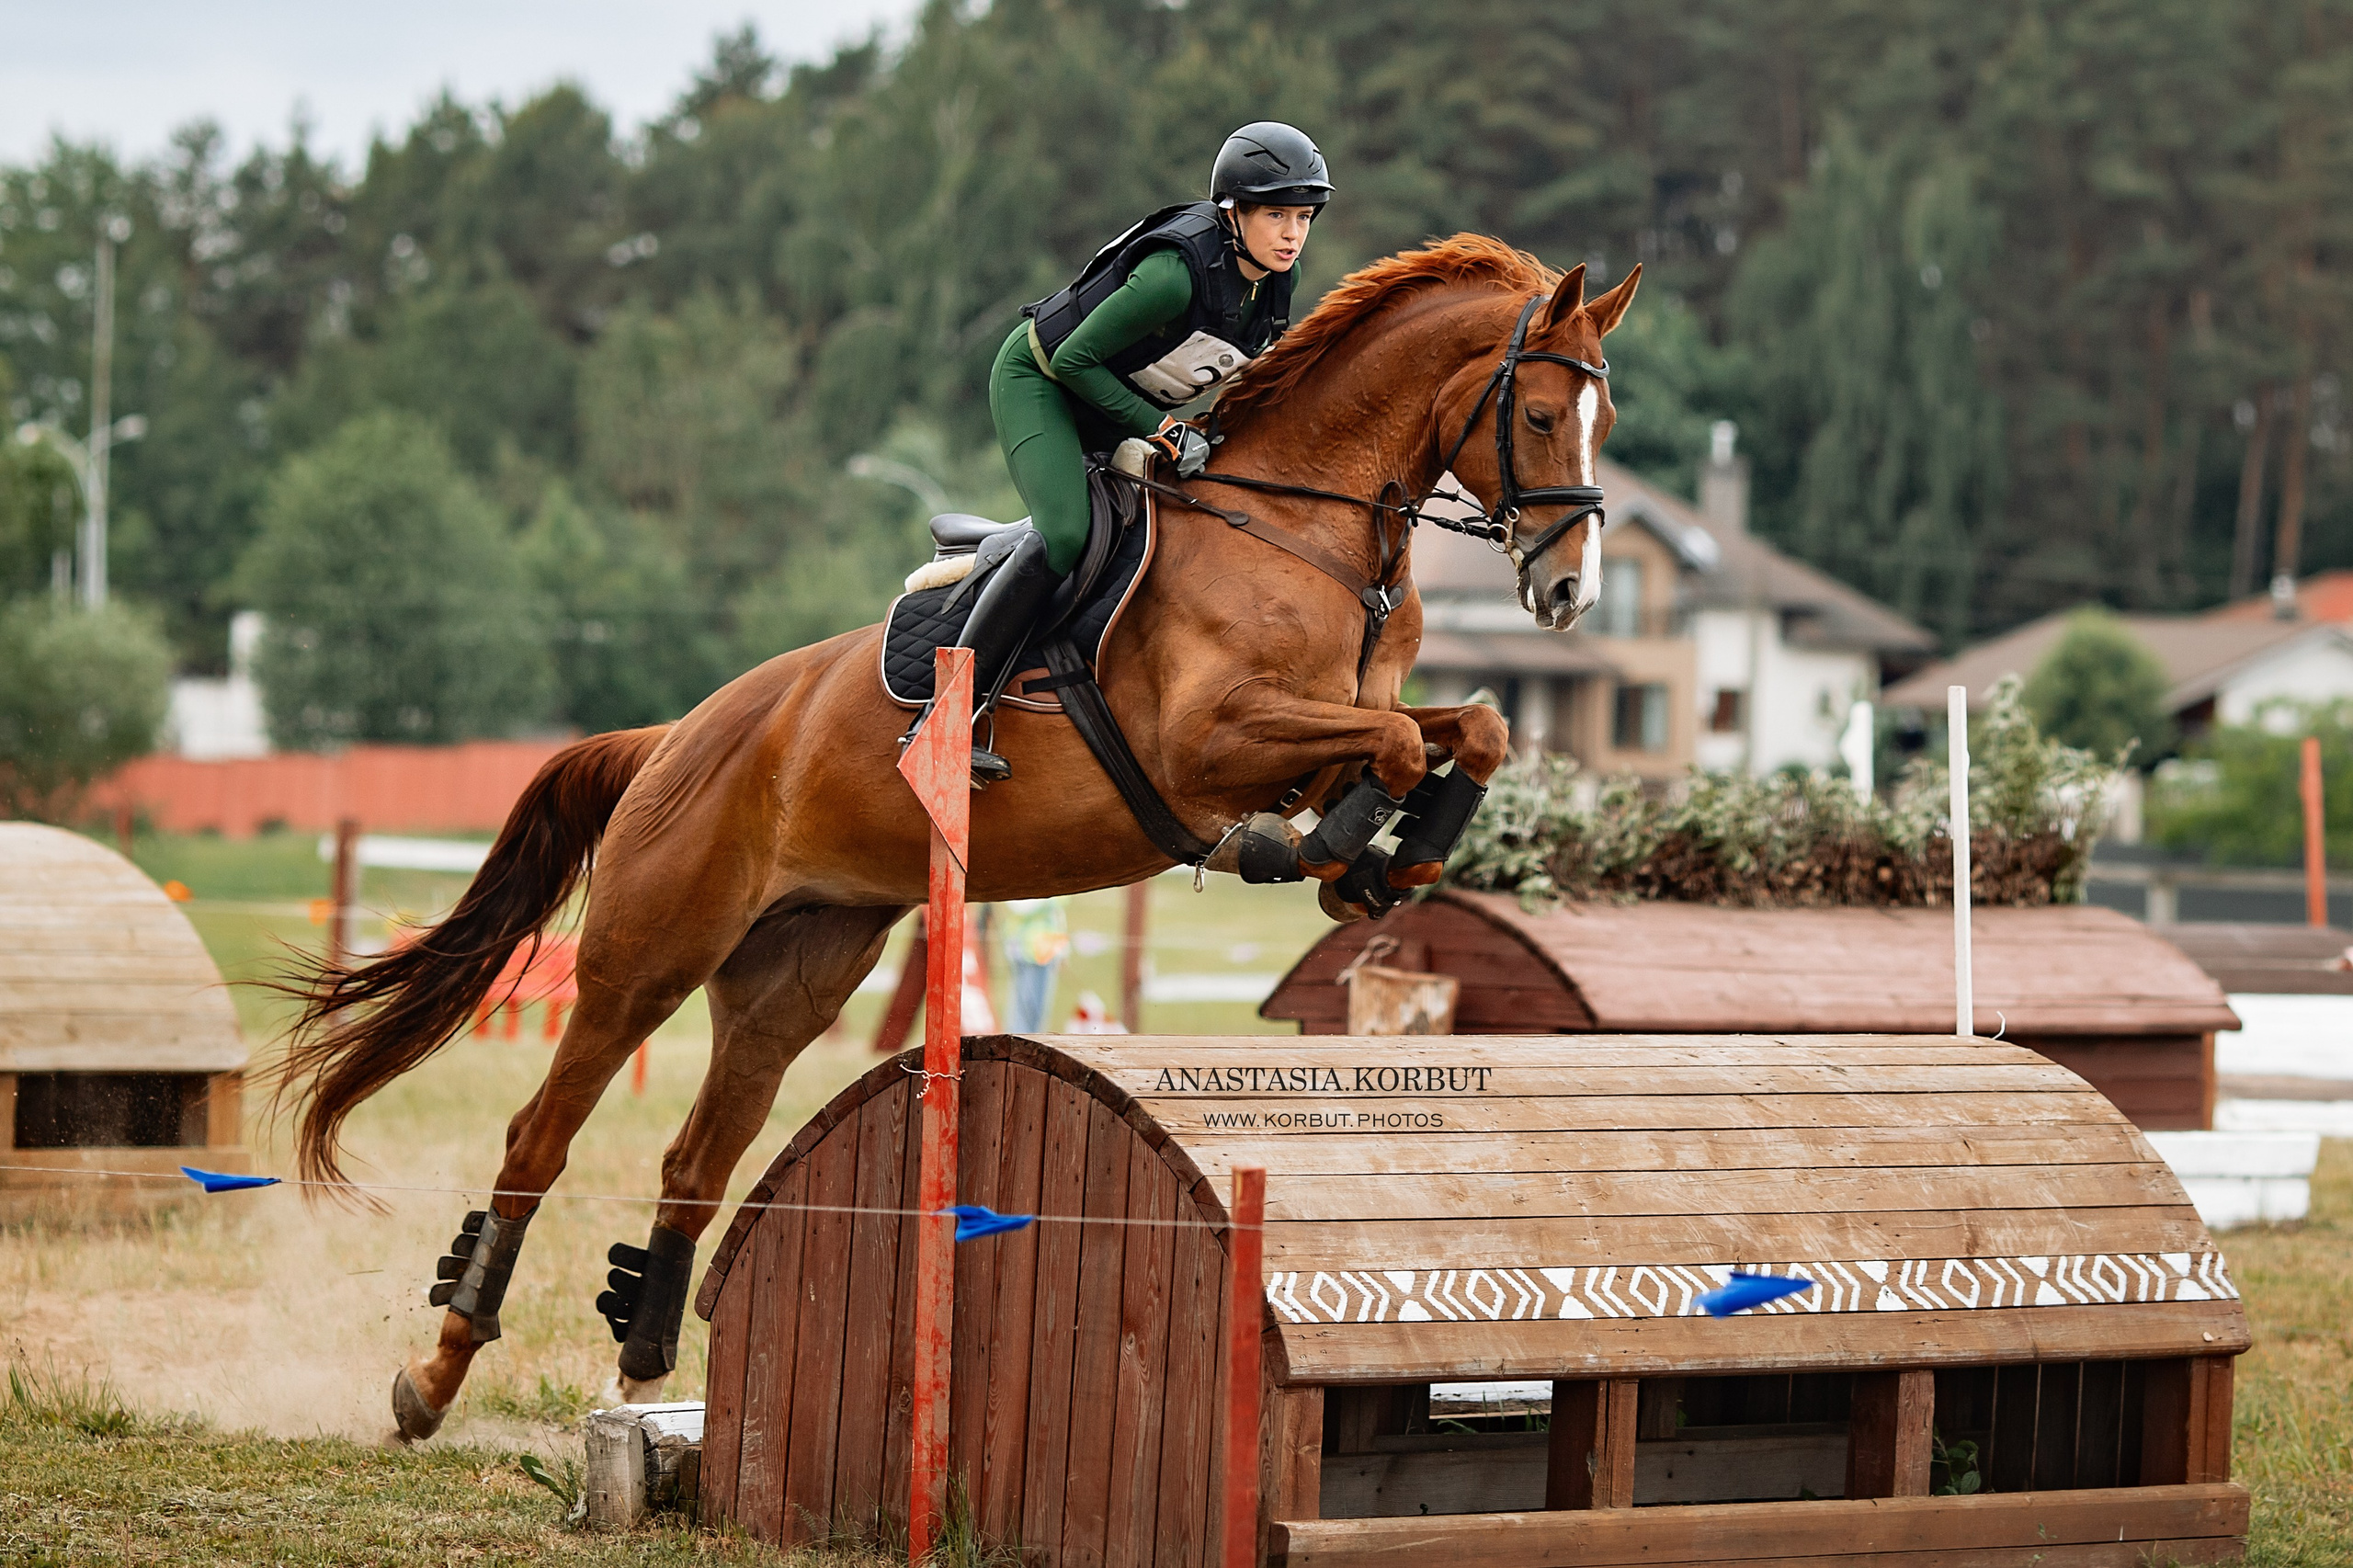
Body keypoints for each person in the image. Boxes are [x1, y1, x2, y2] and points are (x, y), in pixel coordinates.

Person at [901, 121, 1334, 784]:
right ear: (1233, 212)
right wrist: (1162, 430)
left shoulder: (1277, 279)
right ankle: (942, 718)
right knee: (1068, 535)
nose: (1291, 234)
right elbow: (1074, 361)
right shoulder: (1173, 274)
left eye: (1302, 216)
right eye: (1276, 214)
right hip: (1042, 382)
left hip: (1110, 401)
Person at [999, 895, 1071, 1032]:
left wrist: (1063, 949)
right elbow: (1021, 908)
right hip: (1033, 950)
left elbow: (1057, 915)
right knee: (1027, 1009)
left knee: (1030, 1008)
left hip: (1040, 950)